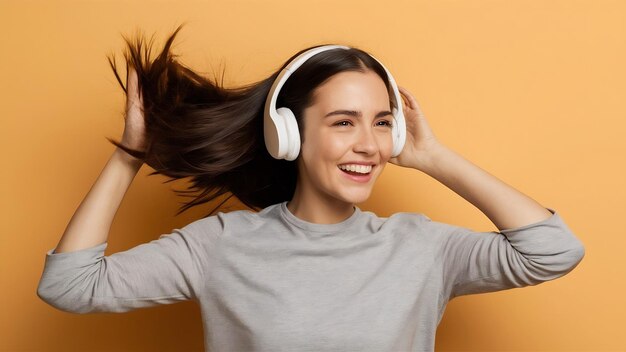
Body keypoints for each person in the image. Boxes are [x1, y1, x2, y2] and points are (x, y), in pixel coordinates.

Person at [37, 24, 585, 351]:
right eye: (344, 122)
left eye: (381, 122)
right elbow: (71, 286)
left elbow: (553, 252)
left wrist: (433, 156)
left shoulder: (422, 249)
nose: (370, 144)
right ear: (288, 134)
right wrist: (132, 152)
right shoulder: (219, 246)